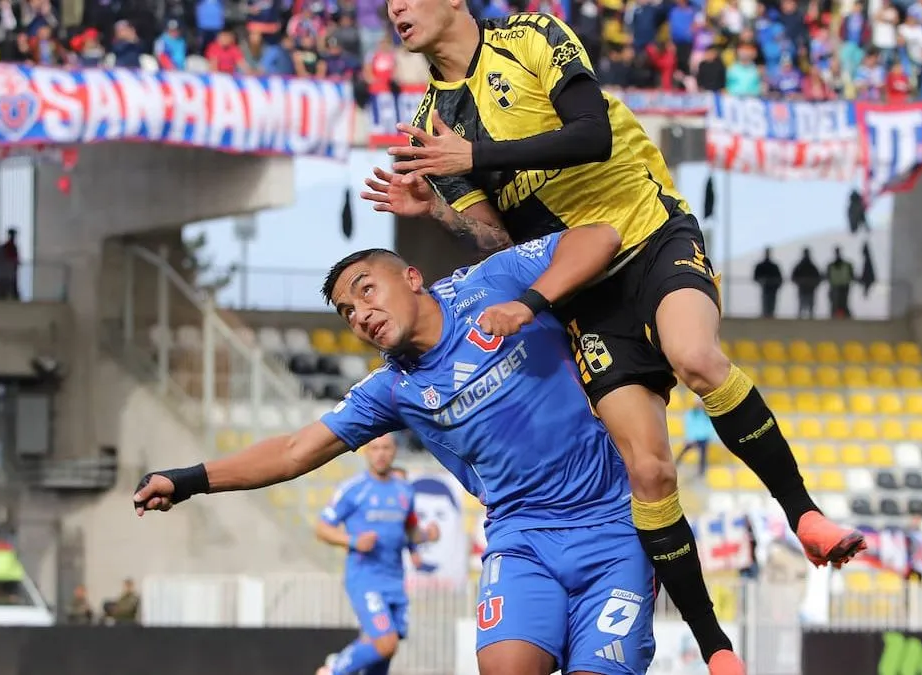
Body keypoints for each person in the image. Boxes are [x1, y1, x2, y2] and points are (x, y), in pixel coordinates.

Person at [362, 4, 865, 670]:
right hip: (582, 288)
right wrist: (442, 211)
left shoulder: (533, 35)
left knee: (694, 355)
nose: (395, 8)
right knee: (648, 469)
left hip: (647, 232)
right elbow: (502, 239)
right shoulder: (432, 125)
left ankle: (803, 514)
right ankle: (717, 648)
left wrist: (479, 154)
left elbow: (592, 134)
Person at [133, 228, 659, 675]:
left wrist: (530, 302)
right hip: (523, 542)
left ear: (411, 278)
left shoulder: (491, 283)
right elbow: (295, 450)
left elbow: (601, 238)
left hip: (615, 527)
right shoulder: (391, 388)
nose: (360, 314)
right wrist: (187, 480)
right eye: (347, 312)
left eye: (367, 291)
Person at [313, 433, 440, 675]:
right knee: (385, 642)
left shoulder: (405, 491)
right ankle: (333, 669)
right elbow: (322, 528)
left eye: (386, 448)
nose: (380, 453)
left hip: (394, 579)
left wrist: (426, 536)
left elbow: (410, 530)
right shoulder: (353, 489)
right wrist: (352, 541)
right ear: (366, 452)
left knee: (385, 650)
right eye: (375, 448)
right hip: (365, 577)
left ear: (394, 451)